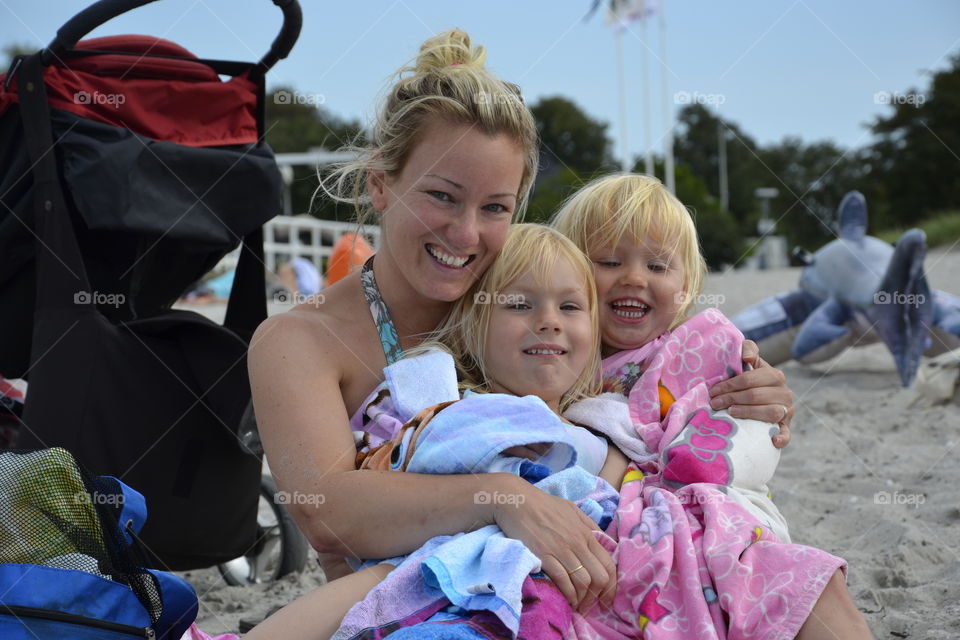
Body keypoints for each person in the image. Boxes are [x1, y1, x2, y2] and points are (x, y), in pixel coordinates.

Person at [247, 27, 796, 621]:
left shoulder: (528, 311)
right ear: (381, 185)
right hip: (409, 611)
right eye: (442, 196)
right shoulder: (299, 341)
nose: (465, 234)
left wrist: (746, 390)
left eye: (495, 208)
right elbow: (329, 512)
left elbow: (654, 362)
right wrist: (505, 499)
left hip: (572, 594)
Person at [249, 223, 628, 639]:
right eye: (519, 304)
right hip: (437, 585)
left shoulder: (604, 433)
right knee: (398, 577)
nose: (549, 321)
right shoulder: (456, 413)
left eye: (571, 308)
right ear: (474, 325)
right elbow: (377, 553)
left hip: (550, 598)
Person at [551, 173, 873, 639]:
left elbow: (746, 443)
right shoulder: (550, 356)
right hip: (611, 547)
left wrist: (764, 412)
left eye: (659, 268)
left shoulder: (698, 352)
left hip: (716, 529)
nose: (635, 277)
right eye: (608, 260)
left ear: (687, 284)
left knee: (811, 584)